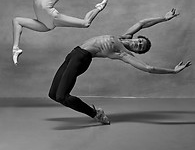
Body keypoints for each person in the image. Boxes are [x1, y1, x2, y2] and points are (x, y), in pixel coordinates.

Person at [48, 8, 191, 125]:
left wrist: (173, 71)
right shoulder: (125, 36)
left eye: (140, 48)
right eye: (140, 41)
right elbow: (142, 23)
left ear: (136, 52)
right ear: (136, 37)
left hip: (81, 59)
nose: (138, 44)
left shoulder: (123, 53)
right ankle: (94, 112)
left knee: (62, 96)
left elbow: (149, 68)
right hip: (73, 53)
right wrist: (164, 18)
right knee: (53, 95)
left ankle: (95, 113)